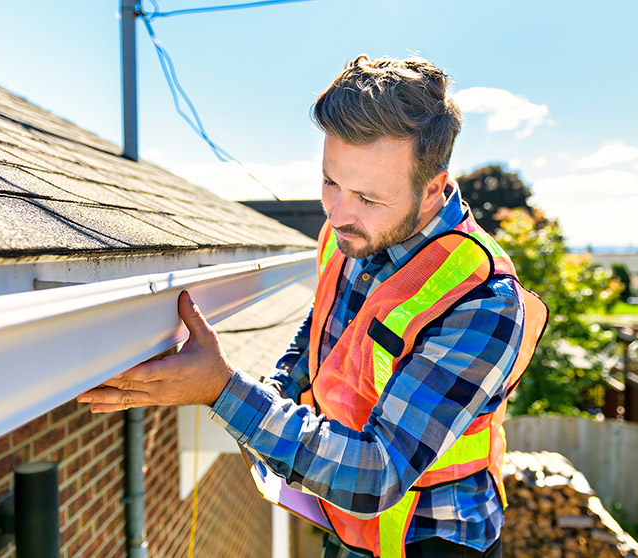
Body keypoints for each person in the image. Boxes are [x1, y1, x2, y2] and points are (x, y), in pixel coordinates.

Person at [78, 55, 546, 558]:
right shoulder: (348, 235)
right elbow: (322, 328)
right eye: (330, 182)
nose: (340, 214)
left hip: (433, 539)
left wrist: (223, 392)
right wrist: (276, 389)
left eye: (368, 197)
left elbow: (376, 474)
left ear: (432, 188)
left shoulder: (483, 302)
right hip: (345, 527)